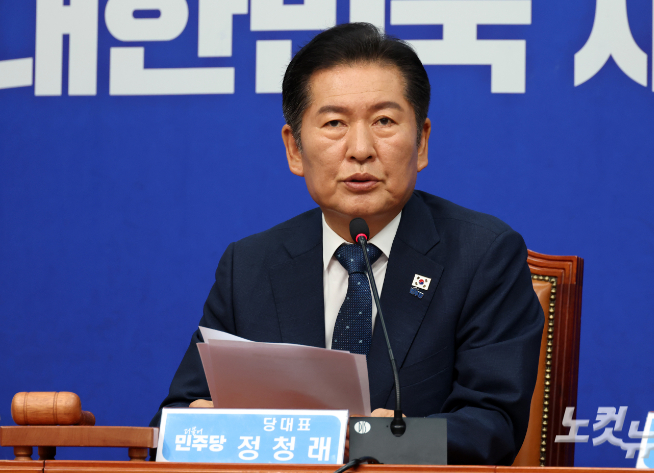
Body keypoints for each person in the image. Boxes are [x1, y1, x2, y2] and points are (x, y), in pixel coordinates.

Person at [151, 22, 544, 465]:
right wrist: (204, 426)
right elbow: (173, 421)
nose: (360, 149)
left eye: (384, 121)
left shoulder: (482, 255)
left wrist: (376, 441)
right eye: (335, 123)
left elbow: (493, 427)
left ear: (421, 142)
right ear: (294, 149)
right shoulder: (250, 265)